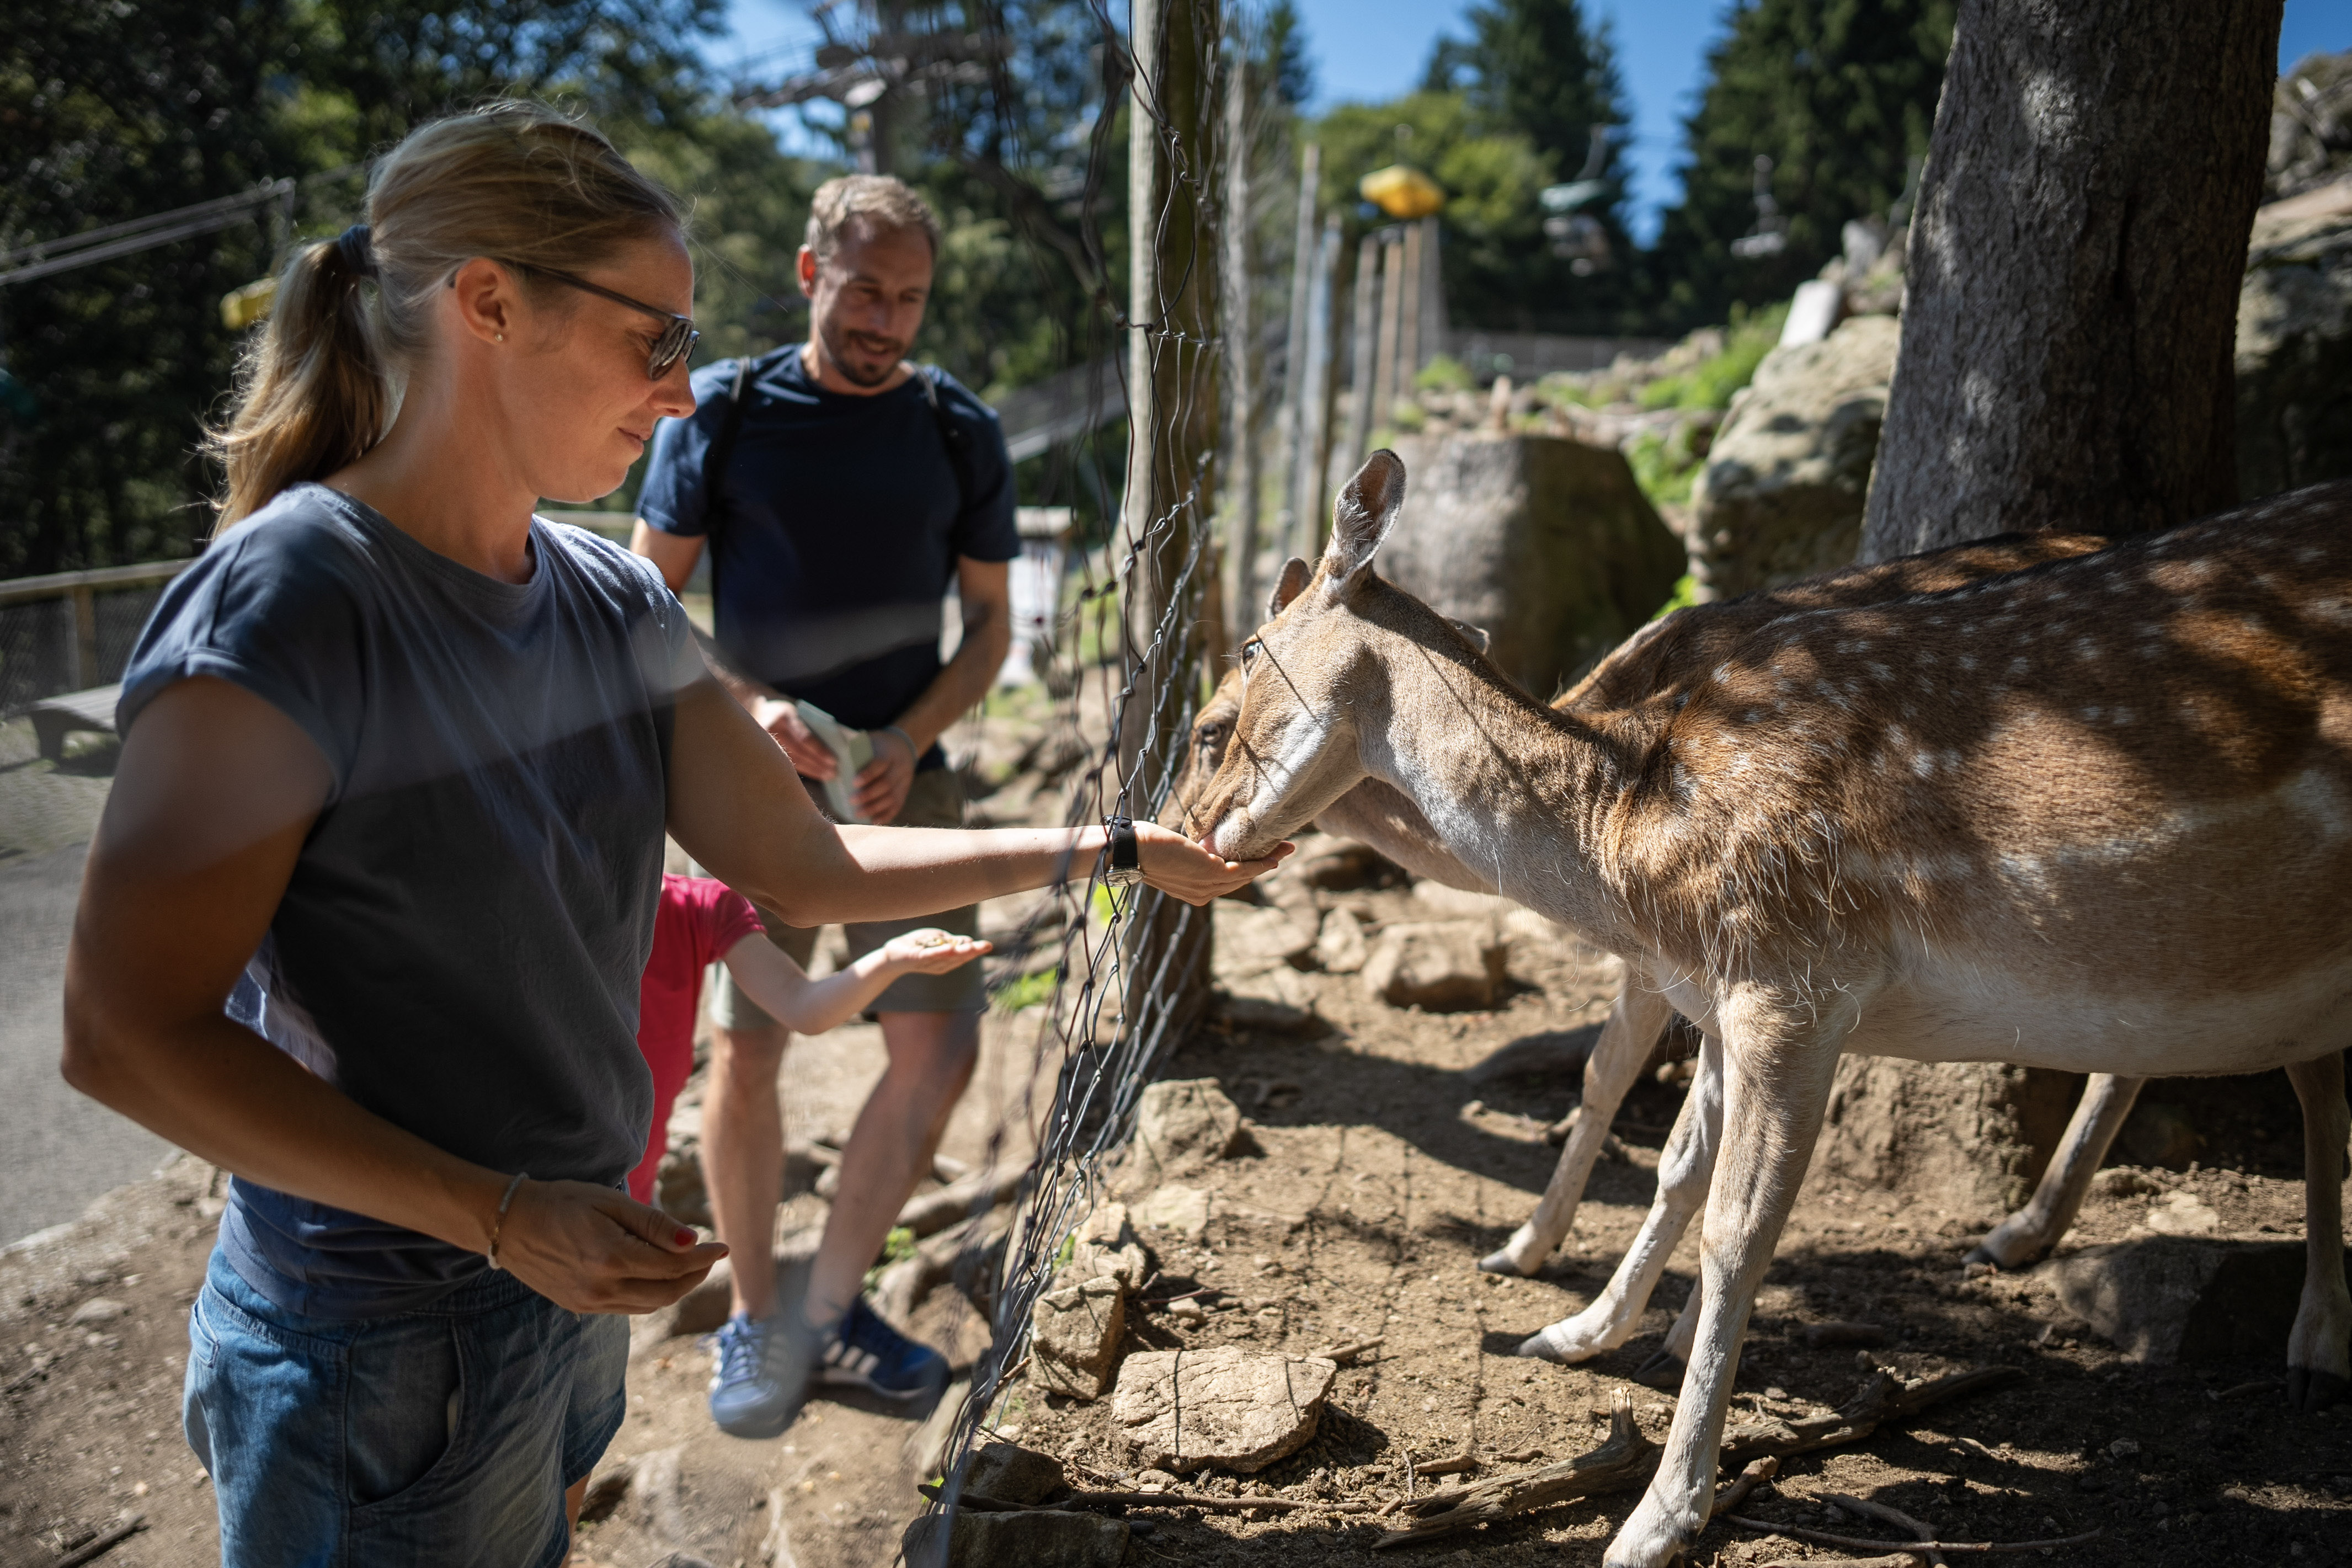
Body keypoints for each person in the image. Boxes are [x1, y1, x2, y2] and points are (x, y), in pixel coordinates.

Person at [59, 102, 1282, 1568]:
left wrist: (1118, 847)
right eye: (656, 342)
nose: (686, 396)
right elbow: (123, 1035)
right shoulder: (292, 599)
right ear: (490, 304)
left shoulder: (608, 598)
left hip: (564, 1284)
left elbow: (806, 868)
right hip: (371, 1328)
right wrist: (496, 1216)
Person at [628, 174, 1025, 1436]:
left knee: (941, 1048)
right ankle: (752, 1318)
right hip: (759, 793)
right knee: (748, 1050)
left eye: (910, 297)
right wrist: (748, 714)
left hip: (914, 783)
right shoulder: (726, 414)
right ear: (811, 274)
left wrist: (910, 737)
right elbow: (648, 606)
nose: (889, 320)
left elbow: (995, 624)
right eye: (866, 291)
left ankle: (837, 1310)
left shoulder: (962, 430)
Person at [624, 871, 988, 1206]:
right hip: (570, 1208)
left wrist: (890, 960)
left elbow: (803, 1006)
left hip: (636, 1200)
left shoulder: (698, 907)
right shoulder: (566, 924)